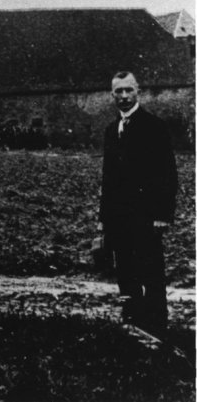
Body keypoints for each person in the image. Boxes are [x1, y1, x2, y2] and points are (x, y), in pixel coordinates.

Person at [98, 71, 178, 336]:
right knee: (126, 269)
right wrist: (103, 218)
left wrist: (163, 214)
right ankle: (132, 322)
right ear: (112, 95)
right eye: (118, 91)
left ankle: (156, 325)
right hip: (119, 216)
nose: (123, 96)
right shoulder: (112, 130)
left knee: (151, 268)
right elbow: (108, 178)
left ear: (138, 91)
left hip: (146, 215)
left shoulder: (154, 126)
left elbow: (167, 173)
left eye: (128, 90)